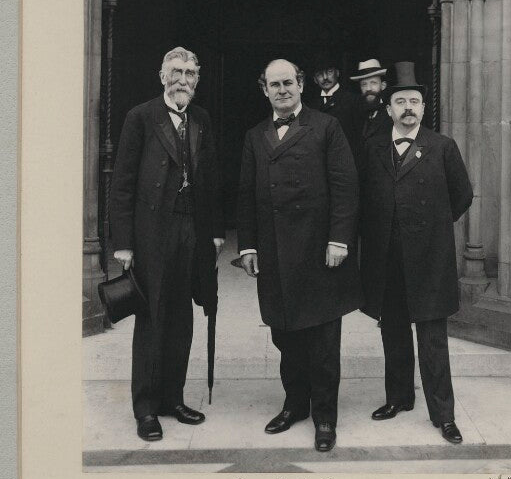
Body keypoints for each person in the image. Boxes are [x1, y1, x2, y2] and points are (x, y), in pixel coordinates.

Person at [237, 59, 360, 452]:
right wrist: (249, 245)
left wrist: (340, 240)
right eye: (274, 84)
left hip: (319, 251)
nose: (282, 90)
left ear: (301, 84)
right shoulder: (255, 135)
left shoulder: (327, 127)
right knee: (284, 334)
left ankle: (325, 416)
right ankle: (295, 405)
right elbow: (245, 194)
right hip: (274, 250)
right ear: (264, 90)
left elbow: (345, 187)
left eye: (288, 82)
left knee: (323, 340)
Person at [109, 47, 225, 442]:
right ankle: (145, 407)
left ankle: (173, 398)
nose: (183, 79)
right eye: (176, 71)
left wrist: (214, 232)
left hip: (191, 229)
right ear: (162, 76)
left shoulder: (202, 118)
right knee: (152, 317)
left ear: (197, 79)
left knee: (182, 317)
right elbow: (122, 181)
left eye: (191, 73)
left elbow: (210, 180)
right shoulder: (140, 117)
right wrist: (123, 243)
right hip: (151, 232)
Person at [359, 61, 473, 444]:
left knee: (432, 338)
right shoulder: (372, 148)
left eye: (415, 102)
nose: (408, 108)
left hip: (429, 260)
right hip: (387, 259)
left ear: (424, 109)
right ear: (389, 109)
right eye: (401, 101)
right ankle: (398, 398)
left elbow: (462, 196)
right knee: (392, 330)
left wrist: (430, 231)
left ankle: (444, 415)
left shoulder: (442, 147)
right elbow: (364, 201)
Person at [307, 56, 360, 154]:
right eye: (320, 74)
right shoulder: (311, 107)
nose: (325, 77)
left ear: (338, 73)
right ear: (315, 80)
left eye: (329, 72)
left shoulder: (353, 100)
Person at [350, 58, 393, 143]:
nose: (368, 88)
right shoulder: (357, 112)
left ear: (383, 85)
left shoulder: (392, 113)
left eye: (373, 83)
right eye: (364, 84)